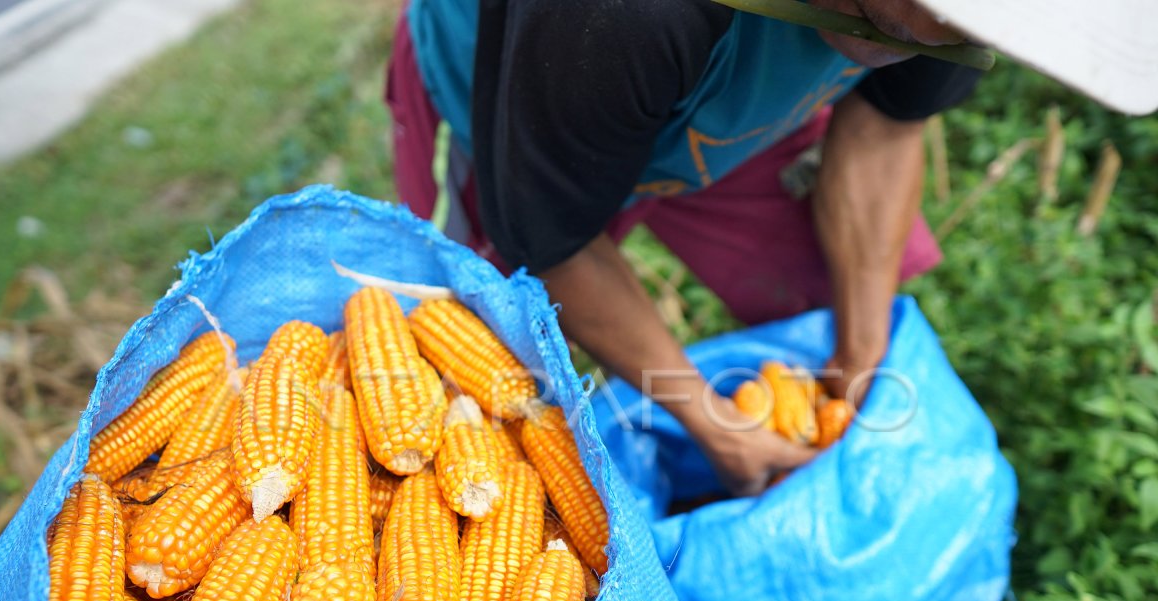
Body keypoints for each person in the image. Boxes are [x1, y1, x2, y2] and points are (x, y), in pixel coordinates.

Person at [385, 0, 1156, 494]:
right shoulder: (616, 17)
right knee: (488, 373)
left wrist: (859, 351)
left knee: (827, 306)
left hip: (734, 113)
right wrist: (708, 419)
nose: (957, 37)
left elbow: (886, 124)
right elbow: (552, 241)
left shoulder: (949, 19)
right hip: (539, 101)